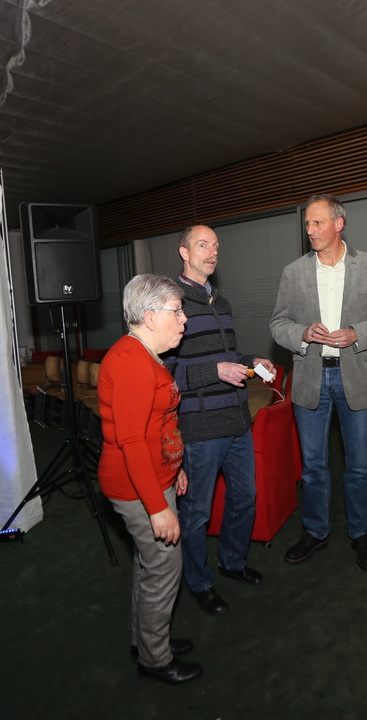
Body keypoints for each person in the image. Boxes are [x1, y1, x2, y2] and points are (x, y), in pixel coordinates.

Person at [269, 194, 367, 571]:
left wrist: (357, 333)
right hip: (310, 378)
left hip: (357, 377)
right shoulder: (293, 272)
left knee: (358, 464)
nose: (310, 230)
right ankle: (315, 531)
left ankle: (360, 534)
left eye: (317, 223)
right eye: (307, 224)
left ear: (338, 224)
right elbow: (278, 324)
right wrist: (302, 333)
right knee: (313, 465)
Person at [164, 224, 275, 616]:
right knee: (197, 513)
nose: (212, 252)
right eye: (202, 245)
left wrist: (251, 361)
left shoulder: (221, 302)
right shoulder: (172, 303)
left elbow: (228, 358)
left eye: (215, 245)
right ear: (184, 252)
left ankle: (232, 561)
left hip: (237, 420)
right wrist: (215, 371)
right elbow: (166, 372)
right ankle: (199, 582)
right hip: (200, 428)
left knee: (245, 499)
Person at [96, 273, 200, 685]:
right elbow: (132, 442)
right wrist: (157, 508)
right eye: (177, 311)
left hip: (154, 480)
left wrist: (174, 468)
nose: (184, 319)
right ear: (150, 316)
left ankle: (146, 642)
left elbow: (158, 424)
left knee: (149, 564)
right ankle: (156, 660)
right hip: (138, 489)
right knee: (162, 568)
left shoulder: (143, 354)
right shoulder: (131, 362)